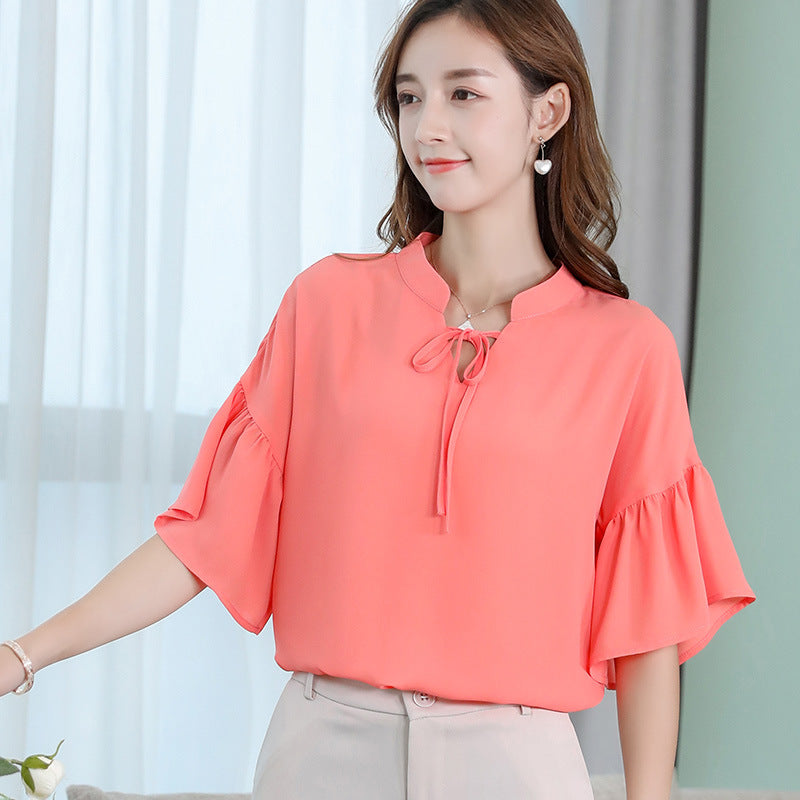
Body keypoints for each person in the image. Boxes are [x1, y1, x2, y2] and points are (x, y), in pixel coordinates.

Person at [2, 1, 756, 798]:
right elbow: (201, 539)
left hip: (517, 763)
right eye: (409, 97)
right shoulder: (326, 305)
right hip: (321, 754)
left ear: (548, 111)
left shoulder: (626, 349)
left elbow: (648, 631)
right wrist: (22, 655)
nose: (428, 126)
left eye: (463, 93)